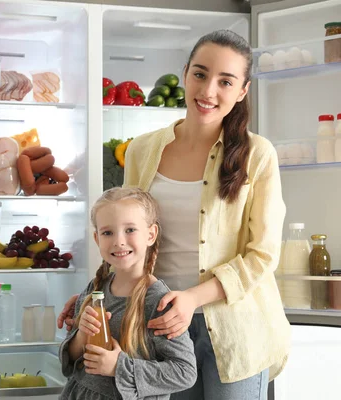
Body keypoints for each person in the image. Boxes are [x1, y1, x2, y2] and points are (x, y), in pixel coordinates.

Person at [58, 29, 290, 400]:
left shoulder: (257, 154)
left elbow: (262, 255)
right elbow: (127, 234)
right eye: (200, 74)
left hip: (236, 327)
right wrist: (94, 293)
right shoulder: (142, 149)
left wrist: (192, 299)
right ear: (185, 74)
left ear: (243, 90)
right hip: (156, 325)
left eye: (225, 81)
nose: (208, 91)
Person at [59, 187, 197, 399]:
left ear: (150, 235)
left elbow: (184, 373)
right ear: (97, 239)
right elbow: (71, 361)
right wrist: (81, 336)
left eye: (130, 230)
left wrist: (118, 367)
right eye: (107, 233)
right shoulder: (94, 289)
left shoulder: (158, 302)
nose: (118, 241)